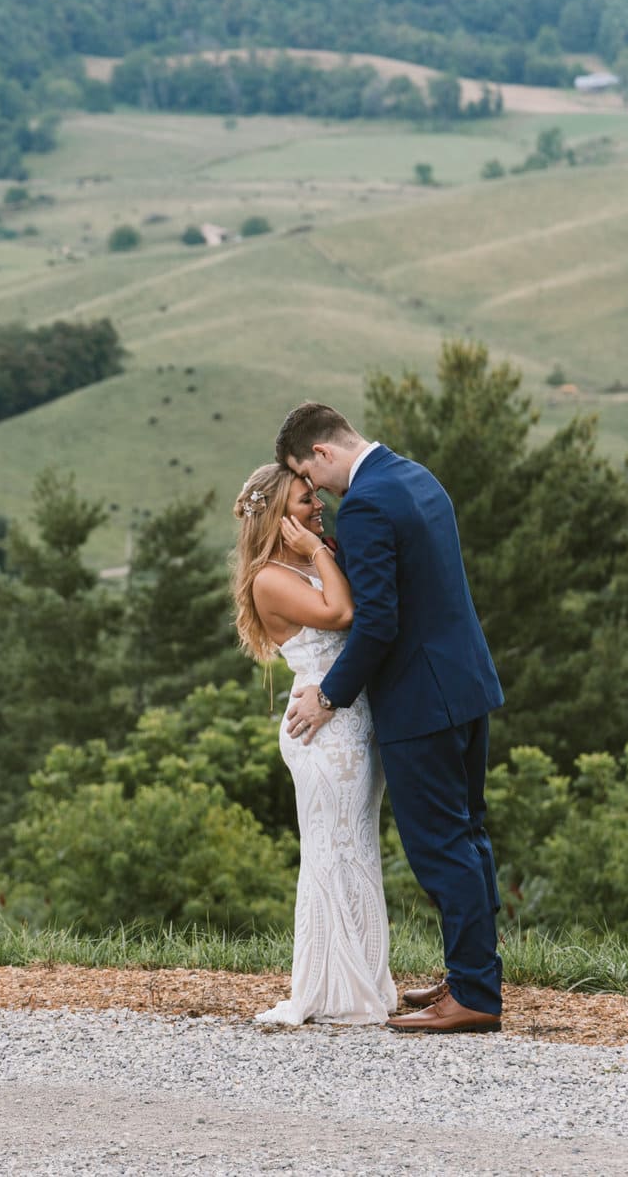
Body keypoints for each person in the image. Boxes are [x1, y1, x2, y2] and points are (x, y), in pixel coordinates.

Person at [277, 401, 506, 1035]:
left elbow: (378, 622)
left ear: (322, 453)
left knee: (440, 848)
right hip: (466, 685)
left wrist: (327, 696)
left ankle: (477, 996)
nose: (316, 489)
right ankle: (470, 973)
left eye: (309, 474)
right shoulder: (417, 476)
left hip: (419, 700)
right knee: (470, 836)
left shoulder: (369, 504)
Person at [233, 462, 397, 1026]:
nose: (318, 504)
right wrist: (322, 551)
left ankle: (363, 981)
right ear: (279, 516)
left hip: (351, 724)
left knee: (357, 851)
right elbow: (343, 613)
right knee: (330, 854)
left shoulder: (308, 558)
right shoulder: (269, 577)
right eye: (305, 500)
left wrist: (318, 549)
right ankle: (330, 990)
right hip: (320, 731)